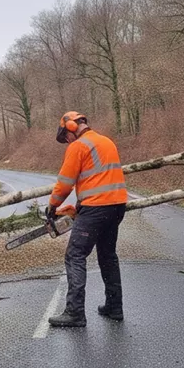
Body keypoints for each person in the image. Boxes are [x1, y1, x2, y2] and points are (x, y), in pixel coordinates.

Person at [46, 111, 128, 328]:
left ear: (72, 127)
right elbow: (99, 178)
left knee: (75, 255)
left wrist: (52, 206)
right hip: (117, 205)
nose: (67, 141)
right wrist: (79, 207)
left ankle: (74, 313)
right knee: (108, 255)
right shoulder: (106, 141)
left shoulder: (79, 146)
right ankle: (114, 307)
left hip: (97, 207)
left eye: (66, 136)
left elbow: (65, 183)